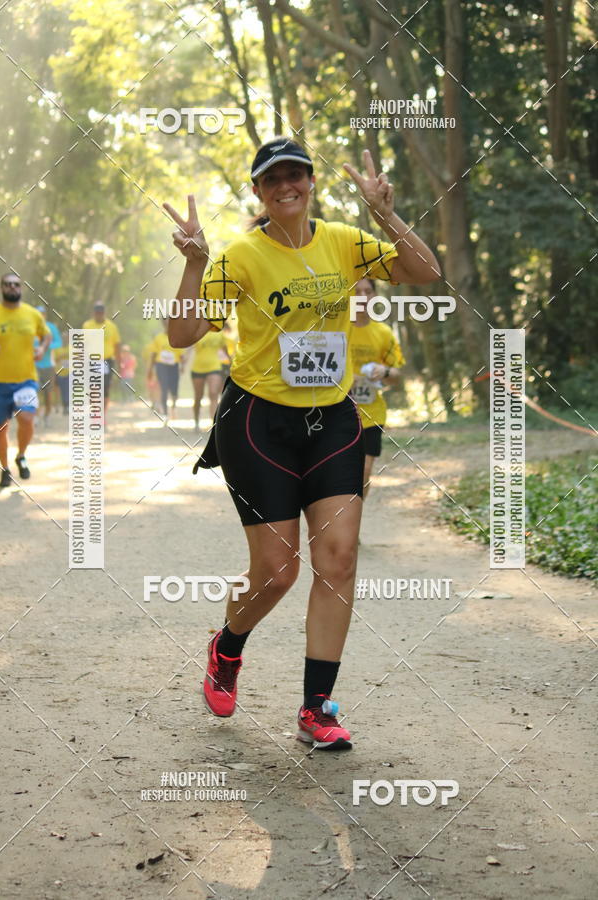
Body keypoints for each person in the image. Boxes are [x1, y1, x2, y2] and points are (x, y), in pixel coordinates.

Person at [165, 138, 440, 750]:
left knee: (338, 559)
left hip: (333, 420)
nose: (286, 185)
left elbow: (426, 272)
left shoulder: (345, 242)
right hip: (257, 422)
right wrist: (195, 262)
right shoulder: (240, 256)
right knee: (278, 571)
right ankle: (226, 647)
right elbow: (183, 333)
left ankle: (317, 708)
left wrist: (386, 215)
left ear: (311, 182)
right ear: (259, 192)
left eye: (296, 174)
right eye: (273, 179)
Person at [349, 277, 405, 500]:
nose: (363, 297)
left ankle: (355, 518)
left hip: (372, 414)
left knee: (363, 471)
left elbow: (397, 376)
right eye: (357, 292)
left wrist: (385, 371)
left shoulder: (383, 333)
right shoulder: (337, 329)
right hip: (336, 412)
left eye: (368, 291)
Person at [0, 273, 51, 487]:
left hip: (25, 380)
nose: (12, 287)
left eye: (16, 284)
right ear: (2, 288)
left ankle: (21, 455)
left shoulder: (32, 314)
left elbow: (46, 335)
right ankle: (5, 469)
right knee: (0, 429)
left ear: (21, 288)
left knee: (27, 419)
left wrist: (42, 348)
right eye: (8, 284)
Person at [82, 301, 121, 413]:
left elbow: (117, 345)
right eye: (97, 313)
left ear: (104, 313)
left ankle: (103, 413)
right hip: (92, 360)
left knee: (105, 388)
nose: (99, 315)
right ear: (94, 313)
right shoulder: (87, 326)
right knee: (93, 388)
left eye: (101, 313)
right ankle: (95, 412)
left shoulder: (111, 326)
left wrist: (119, 364)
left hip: (107, 361)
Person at [190, 328, 229, 430]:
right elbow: (188, 347)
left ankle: (214, 424)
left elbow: (225, 349)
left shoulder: (219, 333)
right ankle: (196, 422)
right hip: (198, 368)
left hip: (214, 367)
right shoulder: (197, 331)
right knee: (198, 396)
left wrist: (231, 362)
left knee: (213, 393)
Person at [147, 321, 186, 422]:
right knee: (163, 388)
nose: (167, 325)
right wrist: (150, 369)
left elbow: (182, 355)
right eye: (166, 323)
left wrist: (183, 365)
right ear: (163, 324)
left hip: (174, 366)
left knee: (174, 390)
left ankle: (173, 406)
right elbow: (154, 354)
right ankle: (165, 413)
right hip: (161, 365)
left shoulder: (177, 337)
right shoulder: (158, 338)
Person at [34, 304, 62, 426]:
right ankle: (36, 416)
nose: (40, 316)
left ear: (45, 315)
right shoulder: (31, 327)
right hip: (34, 365)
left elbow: (58, 342)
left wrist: (46, 346)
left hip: (49, 366)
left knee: (48, 393)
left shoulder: (51, 327)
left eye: (42, 314)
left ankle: (47, 416)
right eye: (38, 314)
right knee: (34, 391)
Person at [54, 341, 70, 414]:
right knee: (58, 390)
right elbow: (54, 360)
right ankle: (57, 405)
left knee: (67, 390)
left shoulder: (71, 348)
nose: (65, 339)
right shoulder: (57, 348)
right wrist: (62, 356)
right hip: (58, 372)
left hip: (68, 372)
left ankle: (66, 406)